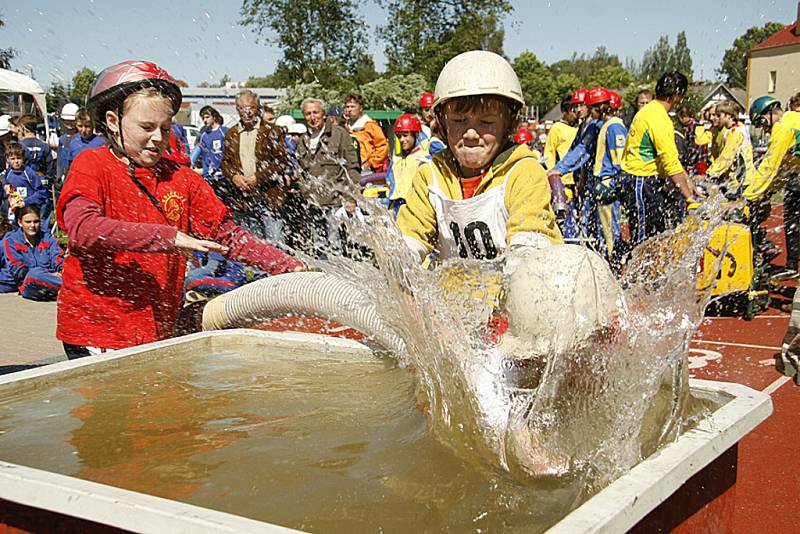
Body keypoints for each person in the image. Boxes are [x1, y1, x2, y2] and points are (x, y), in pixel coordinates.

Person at [56, 60, 303, 358]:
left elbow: (228, 236)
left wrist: (289, 267)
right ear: (111, 121)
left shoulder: (181, 177)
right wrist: (168, 237)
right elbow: (83, 229)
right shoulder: (92, 165)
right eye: (146, 127)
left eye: (165, 127)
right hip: (98, 328)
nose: (158, 138)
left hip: (156, 327)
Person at [396, 50, 562, 264]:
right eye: (458, 120)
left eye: (486, 122)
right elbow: (408, 240)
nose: (471, 134)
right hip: (454, 292)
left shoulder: (524, 173)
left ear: (509, 125)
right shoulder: (431, 176)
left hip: (517, 290)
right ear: (442, 122)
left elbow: (529, 254)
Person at [620, 72, 699, 248]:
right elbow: (669, 162)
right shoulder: (659, 118)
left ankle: (649, 272)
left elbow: (668, 157)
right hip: (641, 180)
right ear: (678, 94)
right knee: (644, 240)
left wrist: (686, 180)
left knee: (655, 235)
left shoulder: (650, 111)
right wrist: (689, 198)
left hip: (640, 180)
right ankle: (637, 274)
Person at [221, 89, 290, 244]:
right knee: (252, 247)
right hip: (244, 199)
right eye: (243, 108)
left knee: (275, 245)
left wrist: (257, 178)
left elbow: (282, 161)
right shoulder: (231, 133)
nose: (247, 112)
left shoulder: (272, 131)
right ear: (237, 110)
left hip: (269, 197)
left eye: (251, 108)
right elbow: (225, 163)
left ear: (258, 109)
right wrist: (234, 177)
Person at [295, 97, 361, 255]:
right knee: (318, 246)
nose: (312, 117)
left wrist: (351, 197)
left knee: (335, 246)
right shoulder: (303, 139)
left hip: (335, 202)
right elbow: (301, 170)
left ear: (323, 114)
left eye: (315, 112)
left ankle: (337, 279)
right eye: (308, 114)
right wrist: (303, 191)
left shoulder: (339, 134)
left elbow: (352, 166)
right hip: (313, 204)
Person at [744, 94, 800, 279]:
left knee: (793, 215)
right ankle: (792, 266)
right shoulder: (791, 122)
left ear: (769, 113)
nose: (765, 130)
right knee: (792, 215)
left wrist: (749, 196)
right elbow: (784, 168)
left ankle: (792, 265)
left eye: (763, 124)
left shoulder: (783, 127)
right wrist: (768, 192)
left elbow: (769, 166)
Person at [0, 205, 63, 301]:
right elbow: (17, 268)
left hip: (46, 282)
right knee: (34, 275)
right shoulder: (11, 241)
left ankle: (59, 291)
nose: (32, 225)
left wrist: (61, 270)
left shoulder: (48, 238)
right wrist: (48, 275)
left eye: (36, 221)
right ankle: (69, 289)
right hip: (23, 281)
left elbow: (58, 258)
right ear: (20, 223)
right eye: (28, 222)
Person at [702, 101, 755, 191]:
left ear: (729, 116)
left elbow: (727, 157)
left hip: (741, 180)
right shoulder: (739, 128)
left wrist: (709, 174)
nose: (717, 119)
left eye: (719, 116)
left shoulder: (735, 133)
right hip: (743, 178)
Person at [386, 113, 431, 216]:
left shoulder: (424, 157)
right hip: (396, 206)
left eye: (406, 135)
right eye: (399, 136)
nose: (402, 140)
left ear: (416, 135)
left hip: (414, 207)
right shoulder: (397, 158)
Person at [2, 142, 52, 227]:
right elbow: (7, 183)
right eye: (13, 159)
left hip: (30, 208)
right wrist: (6, 187)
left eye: (19, 158)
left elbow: (42, 192)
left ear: (23, 158)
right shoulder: (9, 172)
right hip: (15, 208)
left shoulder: (29, 173)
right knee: (15, 229)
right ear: (7, 159)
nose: (16, 161)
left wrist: (25, 202)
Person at [344, 93, 389, 173]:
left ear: (360, 108)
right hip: (349, 169)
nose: (349, 110)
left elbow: (382, 147)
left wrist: (370, 163)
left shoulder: (370, 125)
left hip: (365, 170)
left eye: (353, 107)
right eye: (347, 107)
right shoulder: (345, 126)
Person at [194, 105, 228, 199]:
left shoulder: (224, 132)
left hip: (223, 176)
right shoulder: (204, 135)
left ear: (214, 117)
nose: (205, 120)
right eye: (203, 118)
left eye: (207, 117)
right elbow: (201, 153)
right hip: (209, 176)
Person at [64, 108, 106, 175]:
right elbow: (69, 166)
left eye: (87, 126)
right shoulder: (73, 142)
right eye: (80, 126)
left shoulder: (101, 143)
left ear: (93, 125)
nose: (83, 130)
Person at [16, 114, 55, 180]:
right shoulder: (45, 146)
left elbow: (13, 167)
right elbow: (50, 168)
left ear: (23, 127)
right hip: (41, 182)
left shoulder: (19, 146)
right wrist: (46, 181)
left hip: (23, 182)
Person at [56, 103, 79, 182]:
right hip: (65, 178)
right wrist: (58, 177)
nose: (69, 123)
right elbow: (59, 161)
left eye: (72, 121)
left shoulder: (81, 139)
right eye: (67, 121)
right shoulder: (62, 139)